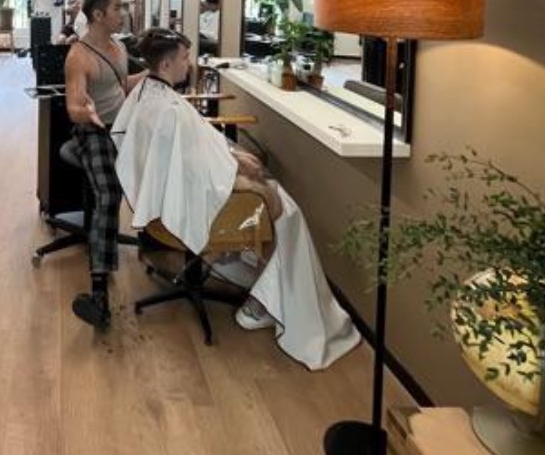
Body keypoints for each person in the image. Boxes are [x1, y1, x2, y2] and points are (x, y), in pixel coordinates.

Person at [111, 28, 361, 370]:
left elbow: (193, 151)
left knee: (264, 186)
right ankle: (265, 303)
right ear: (166, 64)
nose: (189, 63)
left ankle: (256, 277)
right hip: (186, 200)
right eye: (184, 58)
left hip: (164, 199)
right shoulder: (171, 110)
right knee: (287, 212)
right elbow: (198, 171)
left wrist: (232, 156)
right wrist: (244, 179)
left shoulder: (147, 91)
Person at [64, 0, 148, 328]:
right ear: (98, 14)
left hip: (120, 128)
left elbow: (121, 85)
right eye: (118, 8)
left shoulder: (118, 47)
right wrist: (86, 112)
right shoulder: (79, 56)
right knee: (108, 193)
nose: (123, 13)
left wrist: (153, 75)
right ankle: (98, 294)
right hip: (92, 131)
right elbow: (73, 107)